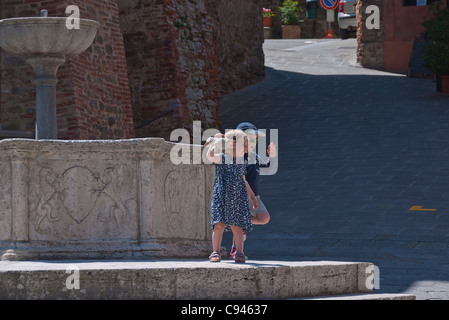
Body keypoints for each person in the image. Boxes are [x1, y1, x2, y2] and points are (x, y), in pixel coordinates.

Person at [206, 129, 259, 263]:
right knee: (218, 225)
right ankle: (215, 252)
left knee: (237, 226)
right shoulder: (223, 158)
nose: (247, 148)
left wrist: (252, 197)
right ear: (232, 145)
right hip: (222, 195)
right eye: (244, 145)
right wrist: (215, 142)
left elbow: (243, 180)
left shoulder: (242, 161)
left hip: (238, 196)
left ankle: (239, 252)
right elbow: (210, 156)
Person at [229, 122, 276, 259]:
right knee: (239, 229)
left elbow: (268, 166)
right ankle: (236, 251)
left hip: (254, 196)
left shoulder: (254, 156)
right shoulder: (236, 156)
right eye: (249, 139)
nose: (253, 142)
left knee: (264, 218)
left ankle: (236, 220)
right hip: (239, 196)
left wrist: (272, 156)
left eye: (255, 139)